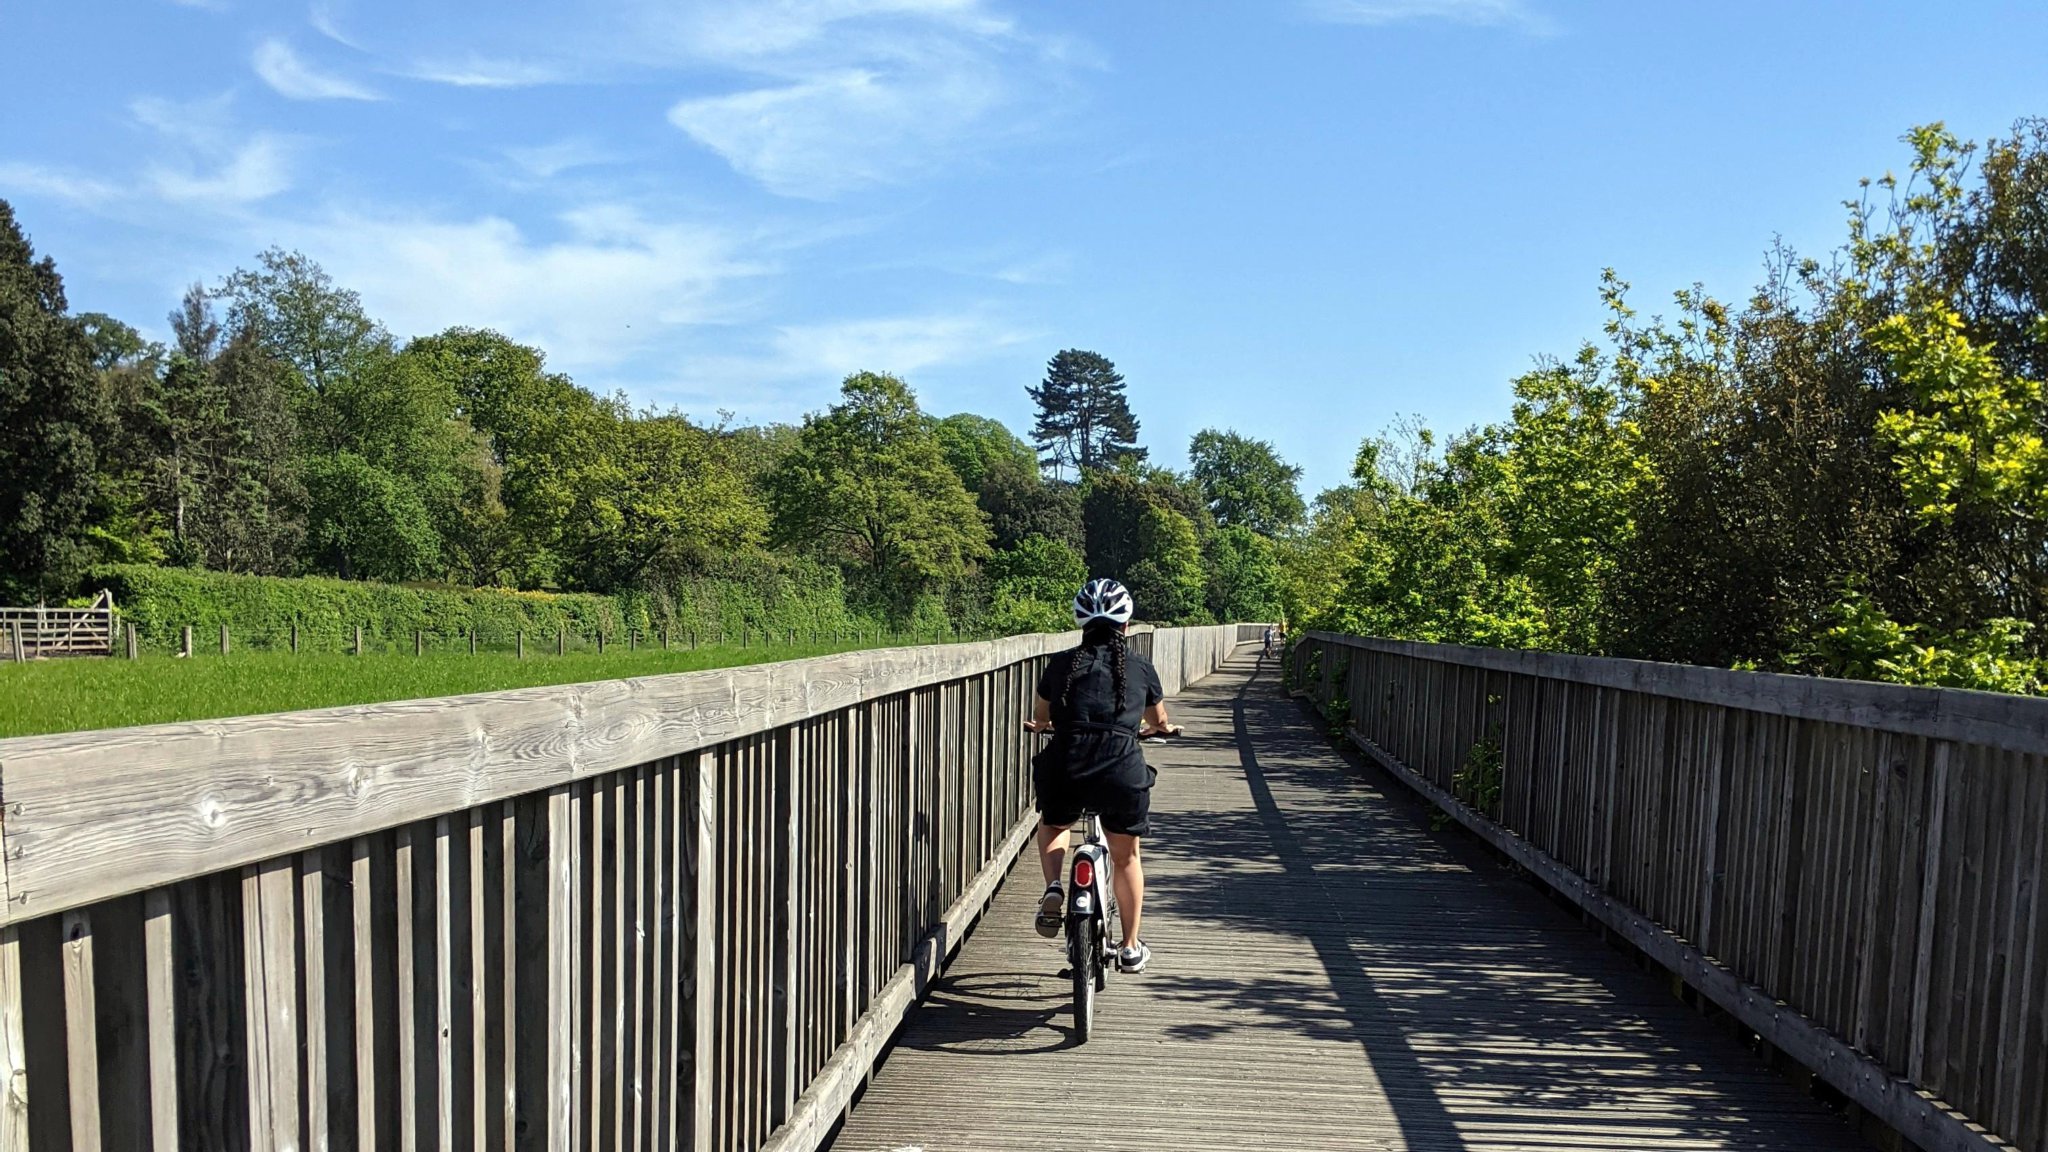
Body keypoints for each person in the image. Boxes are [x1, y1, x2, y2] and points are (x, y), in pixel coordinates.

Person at [1023, 578, 1180, 973]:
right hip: (1120, 768)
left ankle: (1055, 886)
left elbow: (1041, 718)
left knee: (1055, 822)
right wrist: (1159, 730)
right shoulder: (1140, 668)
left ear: (1081, 623)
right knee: (1126, 857)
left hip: (1067, 764)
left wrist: (1041, 726)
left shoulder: (1060, 664)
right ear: (1125, 625)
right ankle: (1129, 947)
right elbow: (1159, 720)